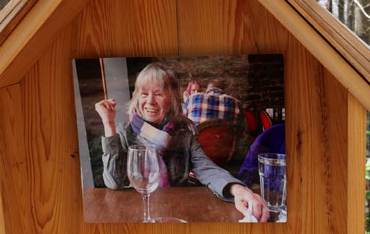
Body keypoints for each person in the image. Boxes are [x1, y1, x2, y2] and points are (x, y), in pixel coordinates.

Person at [95, 63, 267, 220]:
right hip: (136, 214)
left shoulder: (184, 136)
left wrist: (238, 190)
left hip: (176, 213)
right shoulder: (125, 133)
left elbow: (207, 169)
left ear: (171, 100)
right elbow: (113, 182)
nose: (150, 101)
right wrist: (108, 124)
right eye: (144, 94)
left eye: (159, 94)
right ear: (137, 98)